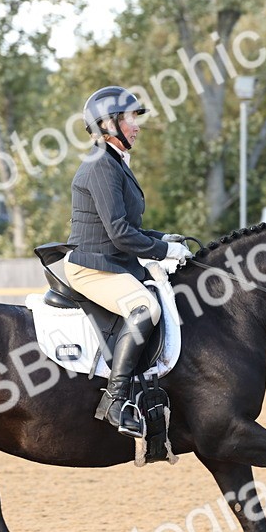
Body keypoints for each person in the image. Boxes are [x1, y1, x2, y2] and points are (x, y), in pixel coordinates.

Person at [64, 86, 191, 437]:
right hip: (92, 265)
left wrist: (162, 239)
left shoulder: (114, 162)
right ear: (108, 124)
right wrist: (163, 253)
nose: (136, 125)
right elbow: (120, 233)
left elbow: (128, 226)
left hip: (112, 260)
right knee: (145, 306)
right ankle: (116, 401)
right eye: (130, 118)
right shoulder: (100, 164)